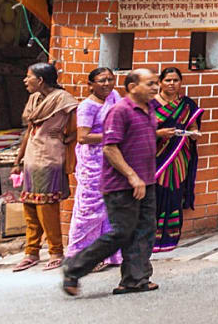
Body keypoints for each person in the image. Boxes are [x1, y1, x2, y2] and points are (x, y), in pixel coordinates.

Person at [61, 68, 161, 296]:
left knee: (145, 230)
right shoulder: (120, 111)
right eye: (149, 83)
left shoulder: (149, 109)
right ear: (132, 87)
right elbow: (110, 147)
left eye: (156, 83)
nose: (155, 87)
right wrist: (131, 176)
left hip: (146, 181)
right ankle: (74, 268)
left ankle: (135, 280)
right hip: (122, 184)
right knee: (122, 232)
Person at [12, 62, 78, 271]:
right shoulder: (34, 99)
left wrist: (65, 139)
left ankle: (56, 251)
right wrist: (18, 159)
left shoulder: (63, 100)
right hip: (32, 155)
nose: (25, 80)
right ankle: (31, 252)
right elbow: (29, 130)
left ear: (40, 80)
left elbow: (78, 128)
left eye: (28, 76)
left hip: (50, 156)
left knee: (46, 206)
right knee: (29, 205)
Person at [66, 68, 122, 270]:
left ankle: (110, 255)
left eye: (110, 79)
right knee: (89, 209)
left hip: (111, 159)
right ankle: (80, 256)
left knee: (109, 208)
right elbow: (83, 137)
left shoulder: (114, 97)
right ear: (90, 85)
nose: (107, 84)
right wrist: (113, 135)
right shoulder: (87, 107)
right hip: (93, 163)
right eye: (101, 81)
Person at [150, 66, 203, 251]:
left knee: (174, 193)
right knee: (155, 194)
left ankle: (169, 238)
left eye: (176, 80)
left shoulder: (187, 105)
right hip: (155, 158)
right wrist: (160, 133)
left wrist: (194, 134)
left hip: (179, 155)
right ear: (160, 82)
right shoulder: (150, 105)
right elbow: (140, 132)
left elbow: (194, 127)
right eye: (168, 80)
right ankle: (151, 239)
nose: (172, 84)